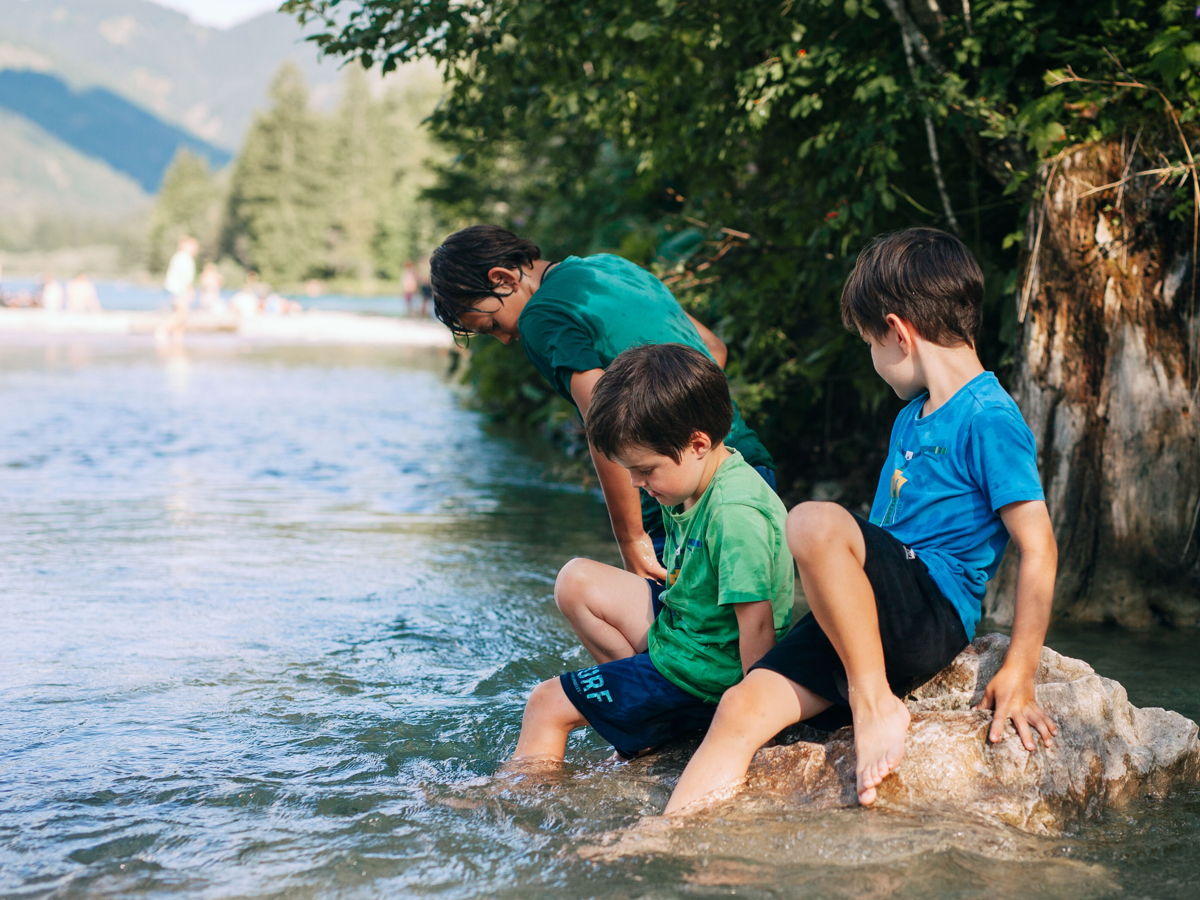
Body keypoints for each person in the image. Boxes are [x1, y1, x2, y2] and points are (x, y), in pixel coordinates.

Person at [663, 227, 1059, 814]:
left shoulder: (989, 418)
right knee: (740, 707)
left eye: (870, 343)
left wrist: (1021, 668)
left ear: (898, 333)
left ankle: (874, 701)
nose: (873, 360)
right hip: (877, 615)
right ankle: (669, 836)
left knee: (813, 521)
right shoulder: (912, 418)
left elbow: (1040, 546)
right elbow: (876, 545)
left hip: (931, 610)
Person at [430, 225, 774, 581]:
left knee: (677, 631)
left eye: (490, 324)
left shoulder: (540, 317)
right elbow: (713, 349)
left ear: (503, 279)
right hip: (746, 464)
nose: (503, 339)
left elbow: (605, 421)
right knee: (749, 616)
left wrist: (631, 539)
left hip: (676, 496)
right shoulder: (613, 267)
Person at [508, 343, 794, 764]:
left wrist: (756, 727)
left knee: (546, 704)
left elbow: (757, 626)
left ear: (697, 443)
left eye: (644, 470)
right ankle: (646, 720)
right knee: (576, 580)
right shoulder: (699, 478)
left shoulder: (735, 513)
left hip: (707, 673)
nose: (638, 483)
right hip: (688, 634)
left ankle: (511, 804)